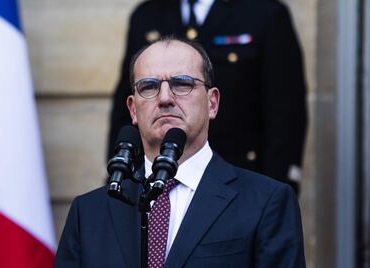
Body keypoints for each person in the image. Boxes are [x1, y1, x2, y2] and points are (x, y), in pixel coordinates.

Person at [55, 37, 305, 267]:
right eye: (149, 87)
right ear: (133, 109)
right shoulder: (89, 212)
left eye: (182, 84)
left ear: (212, 103)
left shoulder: (265, 201)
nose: (165, 98)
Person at [108, 0, 308, 194]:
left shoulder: (264, 13)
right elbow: (124, 109)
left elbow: (285, 113)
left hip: (240, 181)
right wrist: (119, 178)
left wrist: (273, 191)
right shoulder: (147, 15)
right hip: (155, 185)